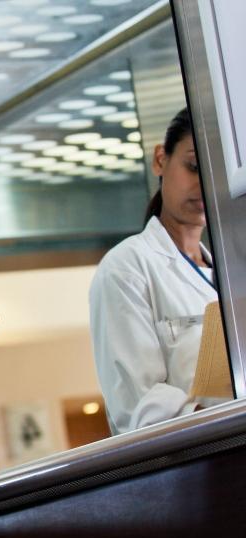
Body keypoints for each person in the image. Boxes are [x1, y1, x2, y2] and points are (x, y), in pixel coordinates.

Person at [90, 108, 218, 435]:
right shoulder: (127, 268)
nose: (204, 185)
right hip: (204, 463)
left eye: (217, 172)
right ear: (161, 159)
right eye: (193, 167)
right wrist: (223, 418)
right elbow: (137, 406)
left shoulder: (229, 272)